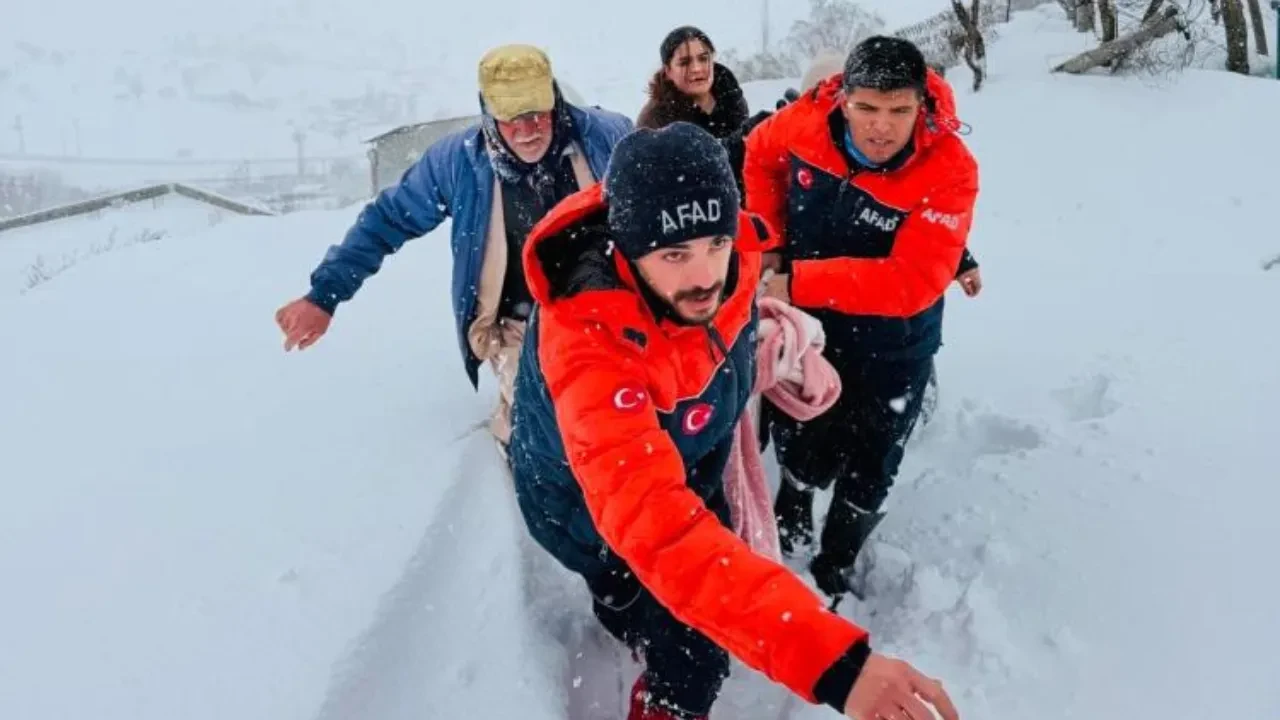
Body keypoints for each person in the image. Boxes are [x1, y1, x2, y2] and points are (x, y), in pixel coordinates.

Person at [507, 122, 960, 720]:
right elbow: (661, 530)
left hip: (691, 466)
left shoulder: (735, 257)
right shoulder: (589, 344)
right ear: (624, 248)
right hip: (586, 506)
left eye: (714, 245)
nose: (703, 277)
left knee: (692, 616)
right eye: (673, 255)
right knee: (669, 627)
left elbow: (723, 317)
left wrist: (762, 346)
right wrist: (839, 669)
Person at [273, 44, 632, 449]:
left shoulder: (607, 138)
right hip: (519, 323)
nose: (527, 129)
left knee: (626, 412)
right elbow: (386, 220)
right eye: (511, 118)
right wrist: (324, 295)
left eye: (536, 113)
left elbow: (665, 203)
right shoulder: (460, 163)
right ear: (490, 114)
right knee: (550, 428)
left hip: (612, 308)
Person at [744, 36, 981, 603]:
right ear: (842, 99)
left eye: (899, 110)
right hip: (811, 334)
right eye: (867, 108)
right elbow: (758, 155)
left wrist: (796, 280)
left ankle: (837, 559)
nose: (882, 127)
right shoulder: (806, 122)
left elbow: (913, 282)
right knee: (802, 431)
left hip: (894, 344)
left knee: (873, 457)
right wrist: (769, 240)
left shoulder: (950, 168)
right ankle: (792, 514)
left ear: (921, 106)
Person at [636, 25, 769, 202]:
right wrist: (740, 140)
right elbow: (685, 174)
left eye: (703, 59)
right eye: (684, 62)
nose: (697, 68)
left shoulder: (731, 98)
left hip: (740, 206)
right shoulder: (655, 118)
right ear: (668, 71)